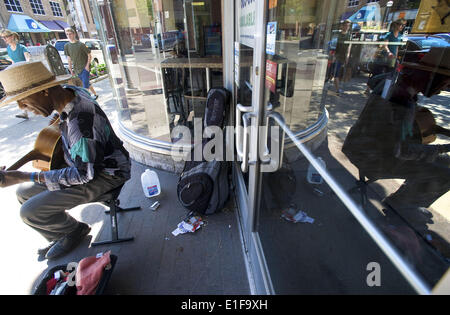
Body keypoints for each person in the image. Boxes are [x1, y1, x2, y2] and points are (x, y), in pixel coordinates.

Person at [0, 61, 130, 259]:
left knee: (29, 211)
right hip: (87, 164)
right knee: (23, 193)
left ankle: (72, 231)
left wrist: (25, 175)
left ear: (45, 91)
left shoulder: (80, 122)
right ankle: (63, 231)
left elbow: (84, 174)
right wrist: (20, 175)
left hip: (107, 173)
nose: (22, 108)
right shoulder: (70, 92)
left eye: (23, 100)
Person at [342, 47, 450, 224]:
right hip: (373, 158)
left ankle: (407, 202)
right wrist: (442, 148)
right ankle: (401, 205)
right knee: (446, 172)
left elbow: (401, 130)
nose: (443, 89)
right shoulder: (401, 98)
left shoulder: (397, 87)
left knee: (444, 162)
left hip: (364, 147)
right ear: (431, 77)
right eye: (444, 83)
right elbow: (402, 151)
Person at [1, 29, 31, 119]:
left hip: (25, 72)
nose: (4, 39)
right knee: (19, 92)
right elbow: (13, 61)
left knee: (29, 92)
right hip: (17, 73)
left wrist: (24, 66)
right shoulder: (8, 49)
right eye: (3, 38)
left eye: (6, 37)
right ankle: (24, 112)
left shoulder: (22, 47)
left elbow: (28, 60)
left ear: (12, 37)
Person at [63, 28, 98, 100]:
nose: (69, 35)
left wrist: (87, 66)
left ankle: (88, 100)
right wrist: (70, 68)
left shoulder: (80, 44)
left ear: (74, 34)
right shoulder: (67, 46)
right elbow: (69, 57)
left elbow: (89, 55)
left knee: (85, 86)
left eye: (70, 34)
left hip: (84, 67)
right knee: (86, 82)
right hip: (76, 68)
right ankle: (95, 94)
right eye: (67, 34)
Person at [333, 20, 352, 96]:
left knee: (339, 73)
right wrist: (333, 55)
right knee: (335, 73)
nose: (347, 27)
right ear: (342, 26)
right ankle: (337, 89)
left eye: (348, 26)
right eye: (346, 25)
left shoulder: (349, 35)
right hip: (336, 56)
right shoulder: (337, 34)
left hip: (343, 57)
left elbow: (349, 46)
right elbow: (333, 45)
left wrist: (347, 56)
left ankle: (338, 88)